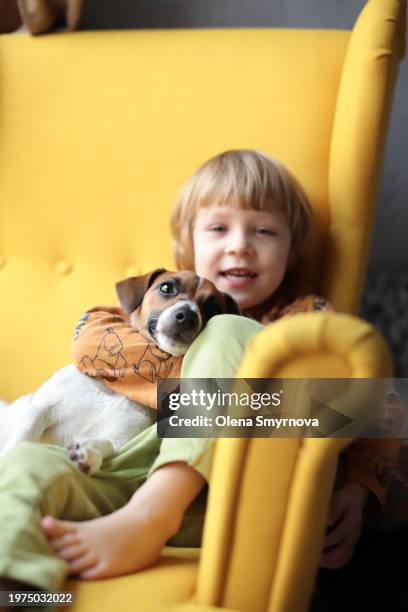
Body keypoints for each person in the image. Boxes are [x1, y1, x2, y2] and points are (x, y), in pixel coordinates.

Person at [0, 149, 400, 592]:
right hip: (114, 474)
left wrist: (358, 492)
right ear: (188, 243)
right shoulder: (150, 299)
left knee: (229, 329)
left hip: (219, 504)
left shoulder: (304, 317)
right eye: (218, 228)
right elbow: (90, 344)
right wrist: (210, 375)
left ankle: (152, 515)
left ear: (293, 247)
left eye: (264, 230)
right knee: (28, 465)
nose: (239, 244)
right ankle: (17, 587)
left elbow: (381, 403)